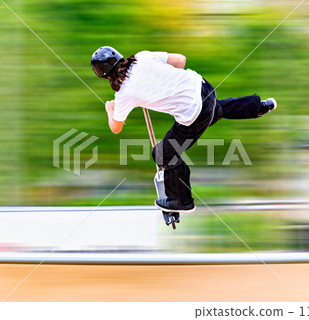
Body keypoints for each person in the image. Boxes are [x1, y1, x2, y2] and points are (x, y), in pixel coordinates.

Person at [91, 46, 277, 213]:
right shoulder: (143, 57)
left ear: (104, 76)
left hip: (193, 114)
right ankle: (259, 106)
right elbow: (181, 60)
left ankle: (182, 201)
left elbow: (115, 128)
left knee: (163, 154)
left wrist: (110, 110)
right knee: (215, 109)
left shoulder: (124, 94)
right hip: (204, 87)